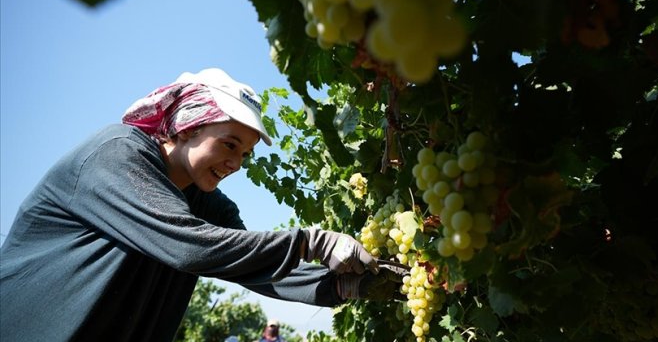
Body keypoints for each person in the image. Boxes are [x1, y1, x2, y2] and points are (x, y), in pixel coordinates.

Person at [0, 68, 399, 341]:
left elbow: (251, 263)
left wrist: (342, 286)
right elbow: (192, 245)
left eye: (244, 155)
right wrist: (312, 242)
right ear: (187, 127)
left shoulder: (205, 201)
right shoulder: (116, 155)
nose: (236, 164)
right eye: (229, 145)